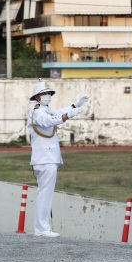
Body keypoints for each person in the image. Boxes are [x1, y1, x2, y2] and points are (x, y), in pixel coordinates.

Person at [27, 81, 88, 238]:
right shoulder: (37, 112)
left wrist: (74, 106)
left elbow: (57, 114)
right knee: (45, 194)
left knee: (45, 194)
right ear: (37, 97)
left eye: (49, 93)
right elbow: (50, 121)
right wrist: (68, 116)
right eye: (44, 93)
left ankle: (42, 227)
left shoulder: (45, 109)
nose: (48, 96)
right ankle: (42, 228)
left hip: (48, 158)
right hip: (44, 159)